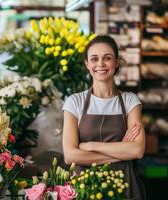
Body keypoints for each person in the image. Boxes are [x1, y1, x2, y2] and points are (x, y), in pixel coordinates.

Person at [62, 35, 146, 200]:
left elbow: (137, 150)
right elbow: (71, 155)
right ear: (87, 64)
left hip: (125, 186)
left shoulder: (130, 101)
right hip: (84, 188)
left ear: (116, 62)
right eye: (94, 59)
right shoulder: (75, 102)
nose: (100, 64)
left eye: (107, 58)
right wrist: (122, 151)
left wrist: (89, 146)